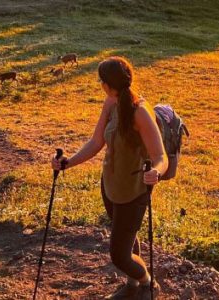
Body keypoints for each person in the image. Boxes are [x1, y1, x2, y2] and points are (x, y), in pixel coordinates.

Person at [52, 56, 168, 299]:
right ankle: (133, 284)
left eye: (100, 81)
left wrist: (156, 172)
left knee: (119, 255)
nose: (99, 84)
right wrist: (67, 163)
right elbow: (96, 142)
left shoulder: (140, 112)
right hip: (111, 186)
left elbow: (160, 155)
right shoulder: (110, 103)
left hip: (134, 190)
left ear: (107, 83)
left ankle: (147, 282)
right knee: (127, 237)